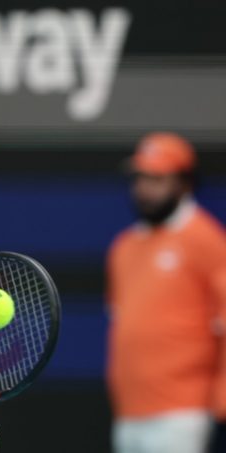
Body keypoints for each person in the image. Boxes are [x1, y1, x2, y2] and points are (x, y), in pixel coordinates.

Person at [106, 132, 226, 453]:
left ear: (184, 184)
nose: (144, 188)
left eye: (157, 179)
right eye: (140, 178)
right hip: (128, 414)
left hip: (182, 413)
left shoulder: (207, 240)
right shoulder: (123, 248)